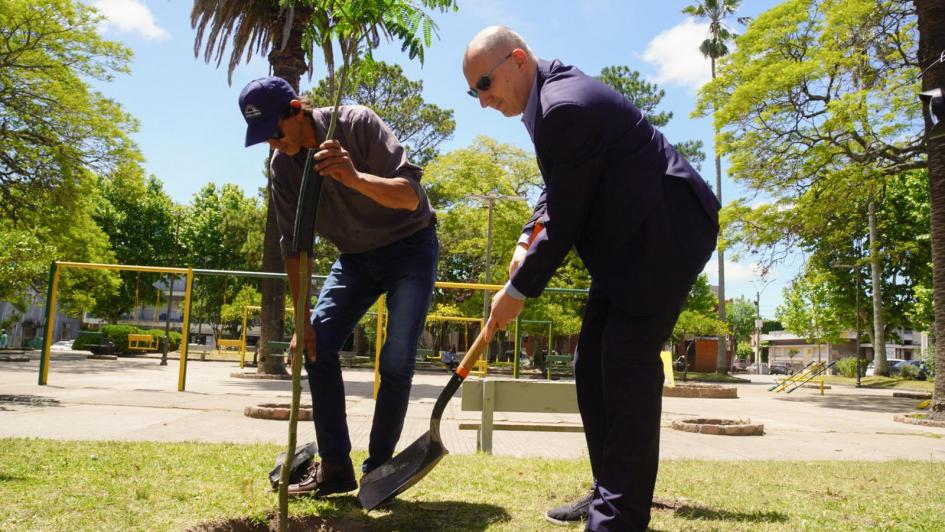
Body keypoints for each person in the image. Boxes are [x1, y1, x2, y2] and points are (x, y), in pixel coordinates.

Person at [463, 27, 720, 531]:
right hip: (628, 244)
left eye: (486, 83)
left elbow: (565, 218)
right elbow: (556, 192)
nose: (483, 99)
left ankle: (616, 518)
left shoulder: (564, 105)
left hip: (666, 232)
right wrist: (524, 239)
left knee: (624, 360)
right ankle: (608, 490)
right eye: (474, 90)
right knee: (590, 362)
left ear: (517, 60)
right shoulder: (545, 105)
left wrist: (516, 292)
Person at [238, 76, 438, 498]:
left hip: (410, 248)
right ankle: (335, 467)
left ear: (296, 109)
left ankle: (380, 469)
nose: (274, 144)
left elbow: (411, 198)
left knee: (397, 359)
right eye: (263, 139)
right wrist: (302, 320)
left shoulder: (358, 123)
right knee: (316, 343)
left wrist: (353, 176)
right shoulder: (283, 169)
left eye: (275, 132)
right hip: (355, 259)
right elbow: (295, 249)